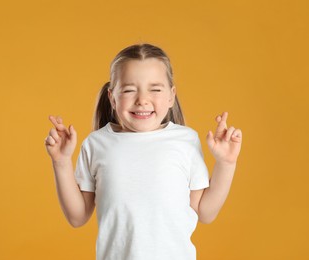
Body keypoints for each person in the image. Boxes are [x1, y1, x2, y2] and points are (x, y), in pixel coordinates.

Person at [44, 43, 243, 260]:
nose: (142, 100)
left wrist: (226, 163)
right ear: (112, 97)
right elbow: (77, 216)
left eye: (155, 89)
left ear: (171, 96)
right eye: (129, 90)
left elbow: (205, 212)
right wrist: (62, 161)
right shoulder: (96, 144)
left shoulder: (185, 141)